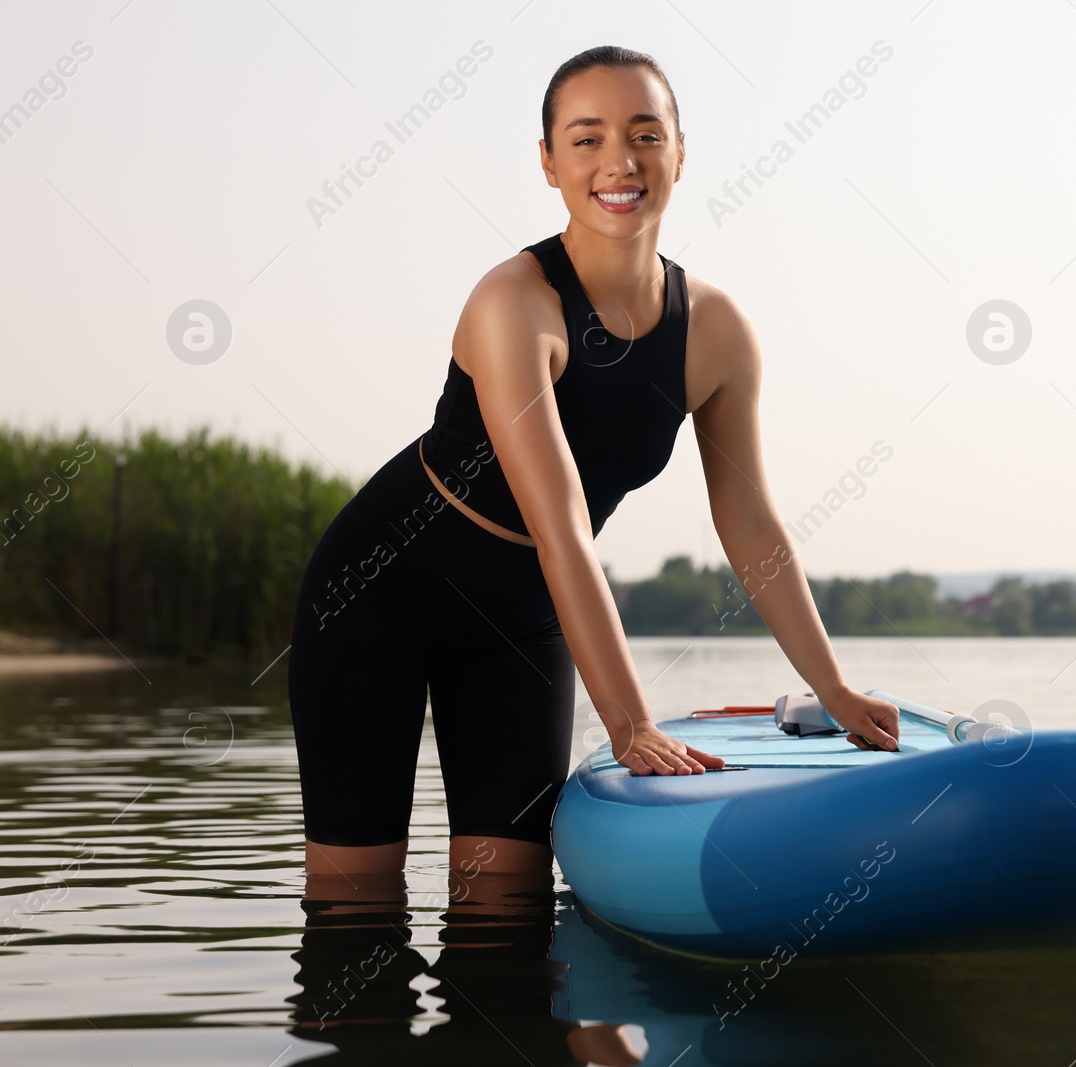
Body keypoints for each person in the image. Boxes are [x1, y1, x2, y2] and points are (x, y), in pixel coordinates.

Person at [287, 44, 901, 889]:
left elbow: (750, 521)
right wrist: (631, 723)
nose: (620, 160)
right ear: (548, 163)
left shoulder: (714, 330)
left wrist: (831, 685)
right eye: (586, 138)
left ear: (681, 152)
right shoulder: (516, 303)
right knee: (356, 901)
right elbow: (564, 530)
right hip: (377, 601)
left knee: (503, 901)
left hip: (525, 622)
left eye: (645, 133)